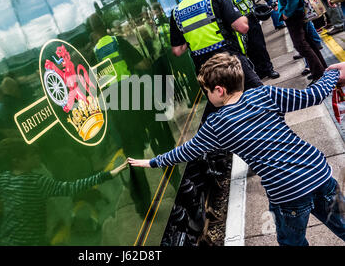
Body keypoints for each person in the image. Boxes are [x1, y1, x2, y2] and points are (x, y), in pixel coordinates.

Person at [128, 53, 344, 246]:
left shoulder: (216, 124)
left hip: (287, 192)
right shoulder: (266, 94)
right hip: (320, 173)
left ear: (219, 91)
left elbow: (186, 151)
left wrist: (151, 162)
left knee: (290, 241)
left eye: (206, 91)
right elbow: (314, 95)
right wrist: (332, 74)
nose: (206, 96)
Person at [0, 138, 128, 245]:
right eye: (31, 155)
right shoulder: (36, 181)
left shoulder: (3, 179)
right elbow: (69, 189)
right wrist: (106, 175)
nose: (37, 156)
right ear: (18, 161)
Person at [169, 0, 262, 122]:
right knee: (260, 96)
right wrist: (246, 17)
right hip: (231, 61)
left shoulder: (176, 13)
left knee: (222, 114)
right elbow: (242, 27)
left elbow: (177, 50)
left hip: (206, 71)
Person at [263, 0, 328, 83]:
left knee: (301, 46)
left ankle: (319, 74)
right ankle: (323, 69)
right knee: (309, 43)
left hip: (294, 17)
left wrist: (285, 14)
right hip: (298, 14)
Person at [217, 0, 280, 80]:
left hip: (250, 20)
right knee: (248, 50)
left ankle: (269, 69)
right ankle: (259, 72)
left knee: (259, 45)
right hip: (235, 26)